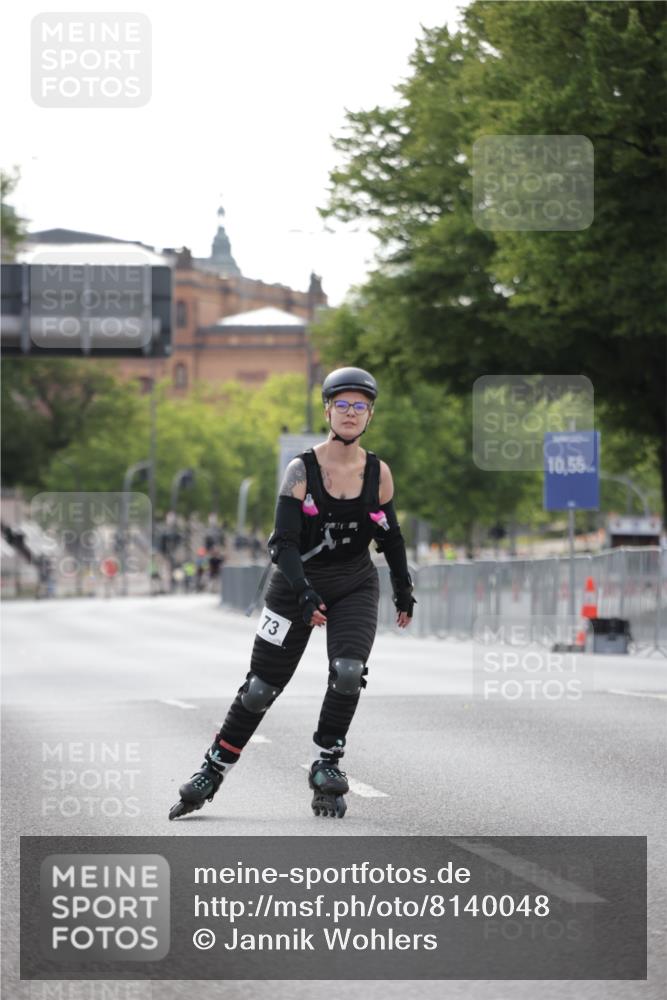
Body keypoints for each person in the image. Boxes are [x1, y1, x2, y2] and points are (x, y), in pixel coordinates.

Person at [169, 367, 415, 821]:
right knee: (261, 688)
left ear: (370, 415)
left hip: (354, 582)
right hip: (293, 586)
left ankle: (326, 762)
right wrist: (303, 593)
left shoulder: (379, 472)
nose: (350, 413)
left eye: (360, 406)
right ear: (327, 410)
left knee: (347, 670)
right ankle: (213, 768)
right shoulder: (302, 469)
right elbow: (282, 544)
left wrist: (403, 587)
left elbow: (390, 536)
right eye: (342, 404)